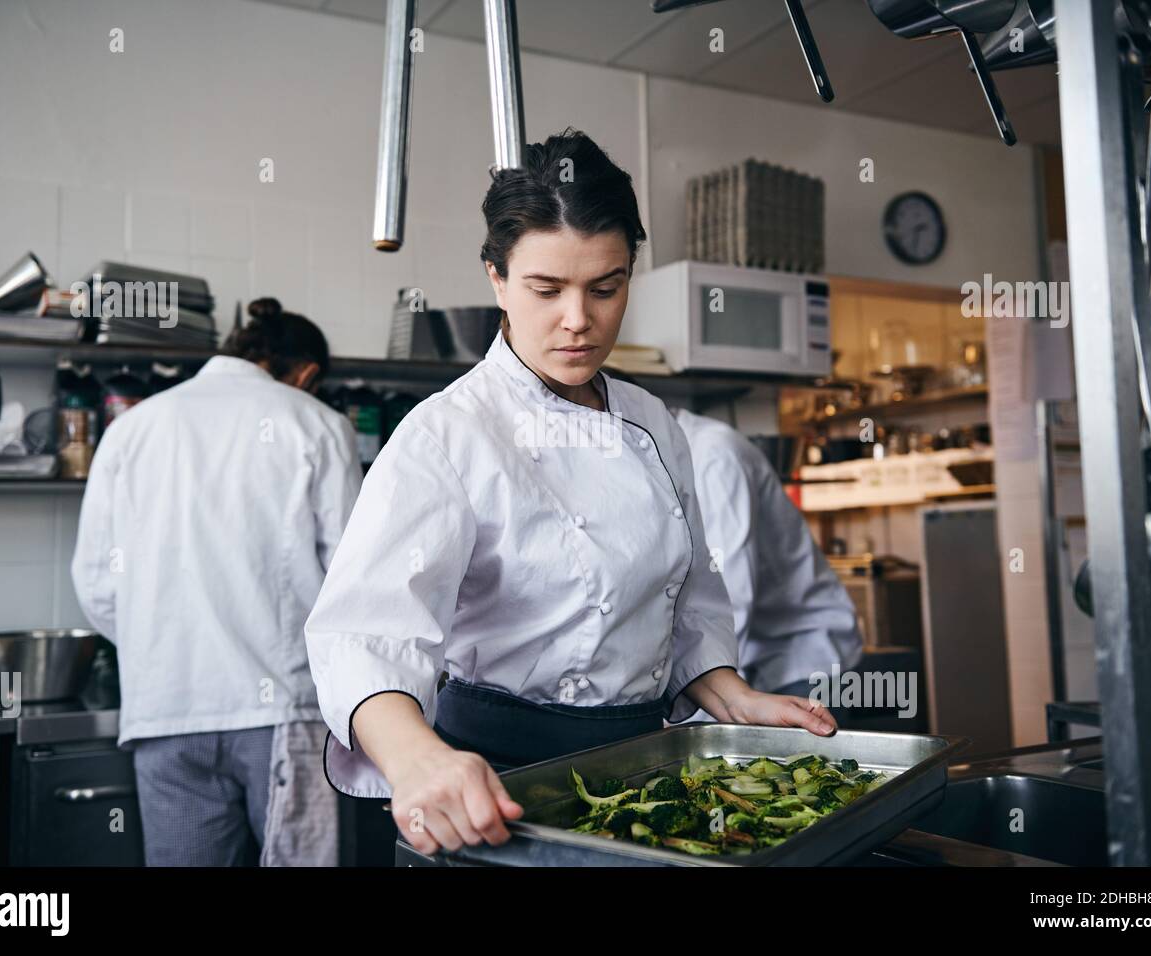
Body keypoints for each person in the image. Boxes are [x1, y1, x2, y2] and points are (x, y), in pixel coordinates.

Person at [305, 129, 836, 861]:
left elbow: (688, 600)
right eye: (546, 289)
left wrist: (728, 694)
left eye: (605, 287)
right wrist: (416, 758)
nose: (579, 319)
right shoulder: (448, 435)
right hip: (500, 788)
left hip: (647, 769)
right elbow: (365, 634)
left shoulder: (653, 425)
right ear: (496, 278)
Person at [72, 298, 362, 866]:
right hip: (282, 710)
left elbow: (98, 584)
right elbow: (349, 582)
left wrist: (156, 643)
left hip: (165, 707)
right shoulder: (318, 425)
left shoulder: (131, 429)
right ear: (306, 374)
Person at [671, 409, 864, 713]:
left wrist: (693, 698)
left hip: (804, 659)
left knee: (804, 760)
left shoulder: (714, 456)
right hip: (753, 664)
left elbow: (729, 596)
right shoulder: (671, 456)